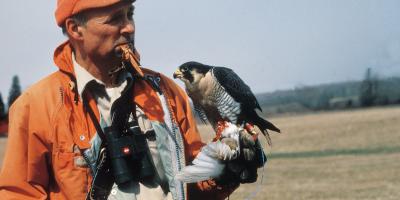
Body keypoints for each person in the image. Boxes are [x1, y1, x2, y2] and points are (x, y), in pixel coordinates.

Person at [0, 0, 262, 199]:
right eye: (115, 18)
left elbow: (192, 184)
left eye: (130, 14)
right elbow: (19, 193)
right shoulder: (36, 106)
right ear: (75, 28)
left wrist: (226, 163)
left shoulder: (165, 92)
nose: (129, 27)